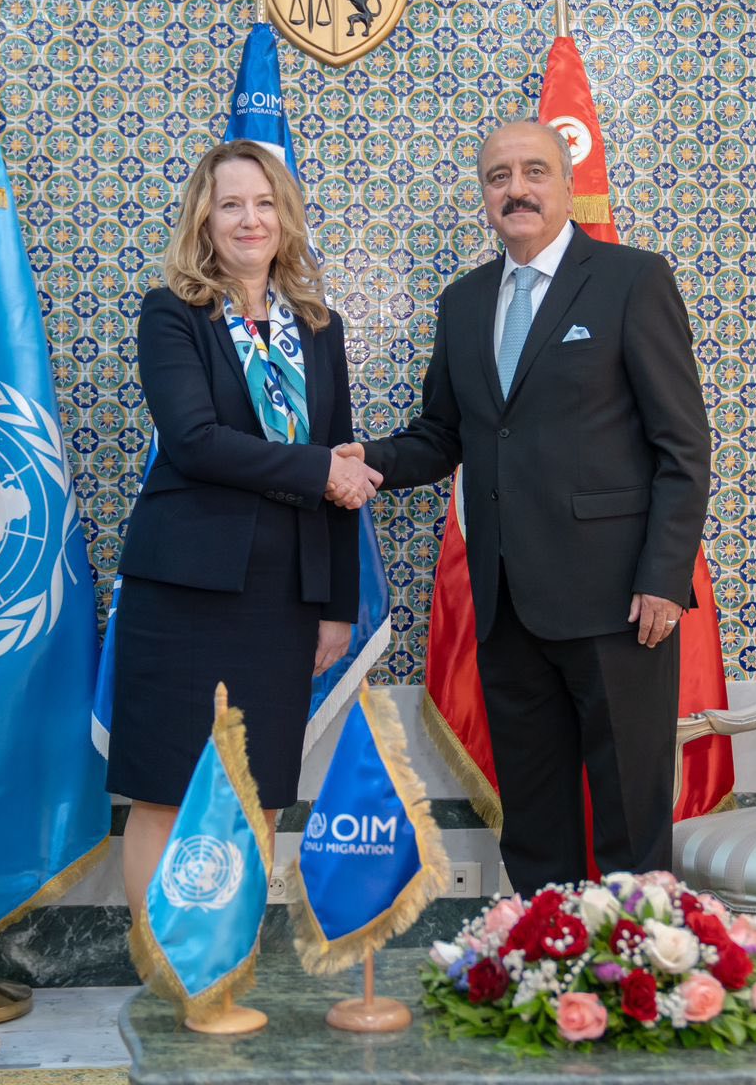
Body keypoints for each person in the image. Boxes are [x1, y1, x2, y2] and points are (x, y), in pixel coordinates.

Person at [338, 120, 711, 891]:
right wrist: (366, 460)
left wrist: (664, 579)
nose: (517, 190)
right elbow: (443, 435)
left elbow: (682, 446)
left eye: (534, 171)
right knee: (536, 824)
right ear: (484, 195)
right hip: (507, 605)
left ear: (568, 185)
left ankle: (635, 961)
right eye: (498, 176)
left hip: (620, 605)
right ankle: (547, 958)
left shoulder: (632, 280)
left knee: (629, 817)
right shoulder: (464, 302)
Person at [108, 139, 382, 914]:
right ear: (205, 219)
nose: (249, 219)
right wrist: (318, 469)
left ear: (284, 218)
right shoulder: (172, 313)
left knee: (256, 794)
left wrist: (335, 604)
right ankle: (162, 969)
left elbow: (340, 465)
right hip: (184, 594)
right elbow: (195, 441)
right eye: (231, 204)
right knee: (167, 792)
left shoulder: (318, 327)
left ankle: (229, 962)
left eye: (264, 204)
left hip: (283, 600)